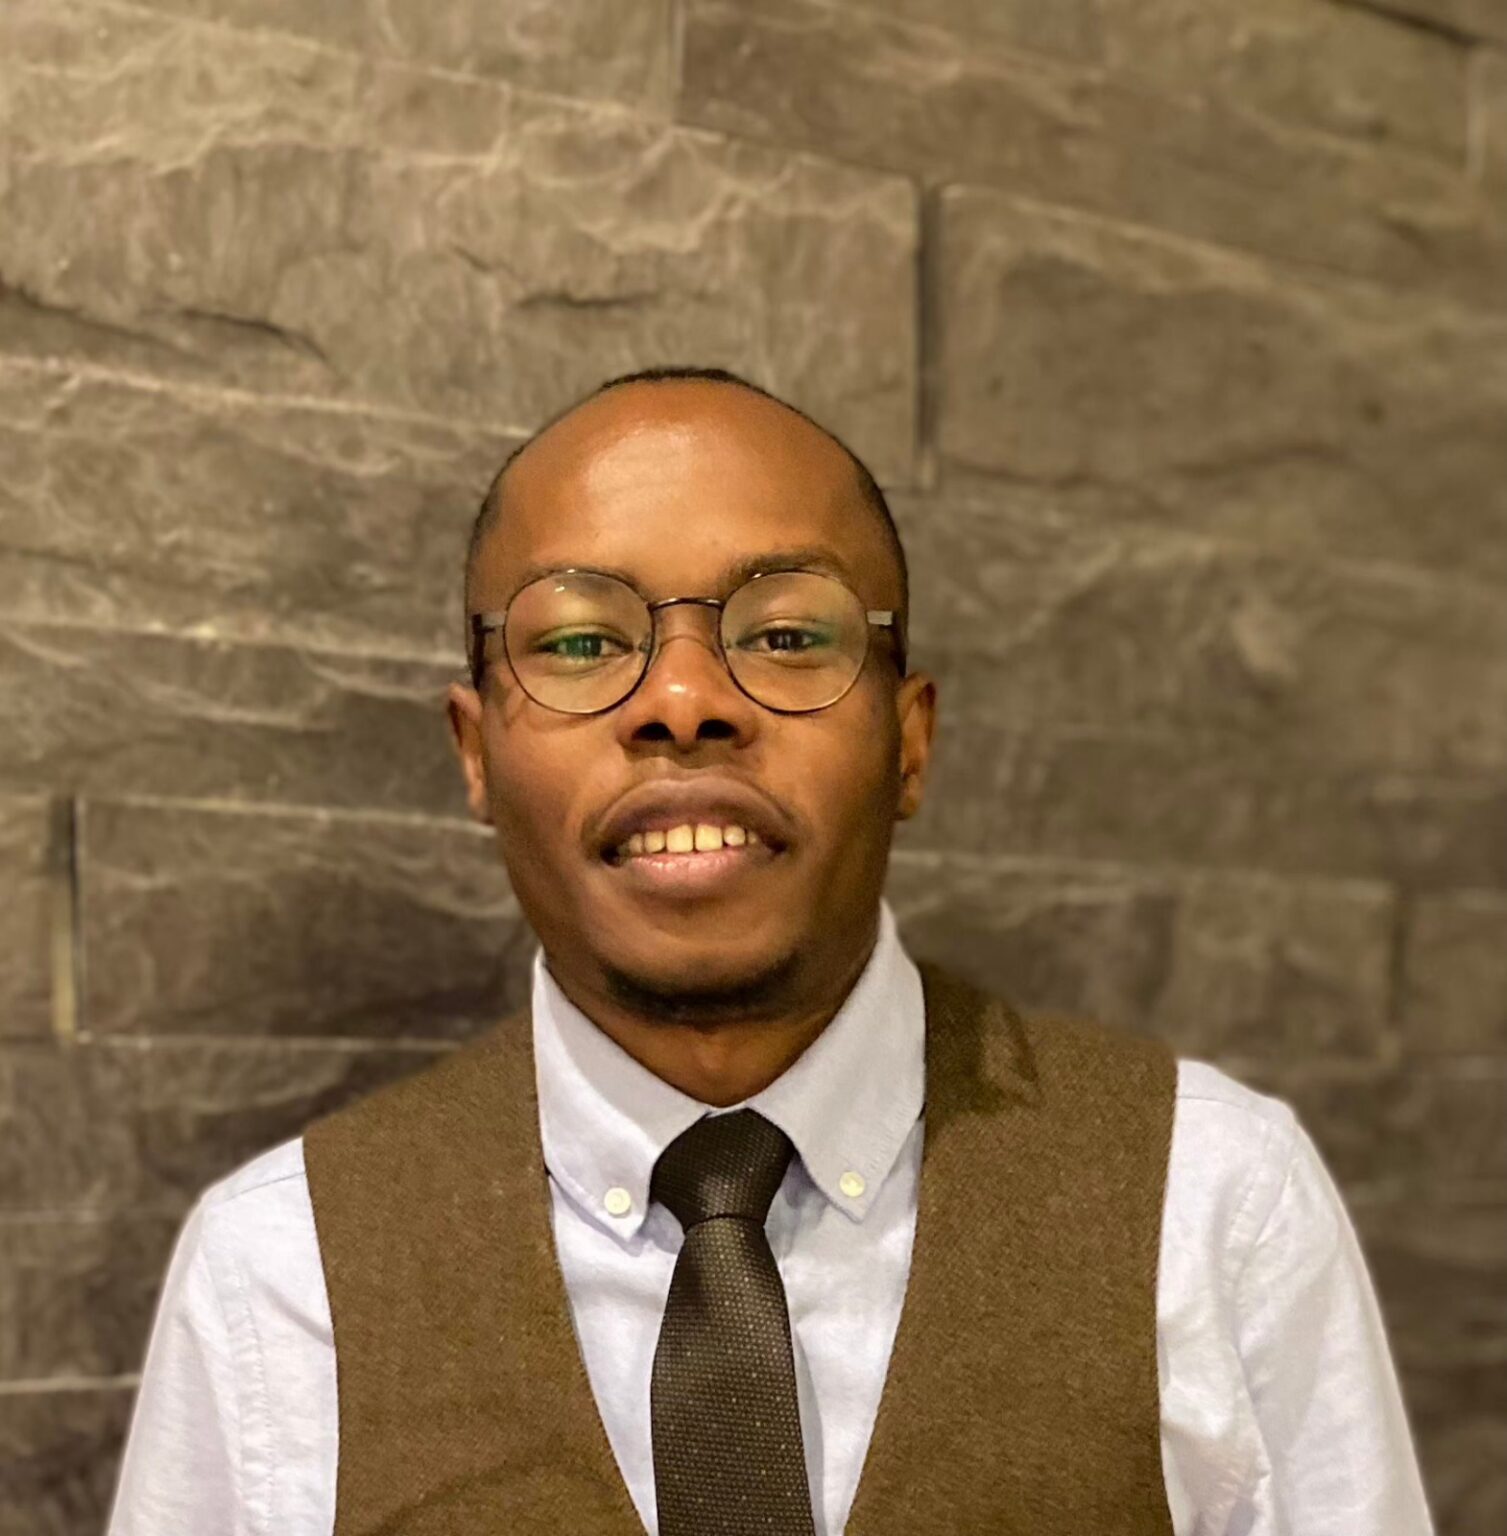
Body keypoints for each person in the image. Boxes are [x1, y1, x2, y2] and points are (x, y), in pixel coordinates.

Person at [107, 367, 1433, 1536]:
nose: (684, 703)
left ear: (910, 740)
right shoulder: (277, 1277)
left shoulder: (1216, 1205)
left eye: (787, 634)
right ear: (475, 750)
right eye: (581, 641)